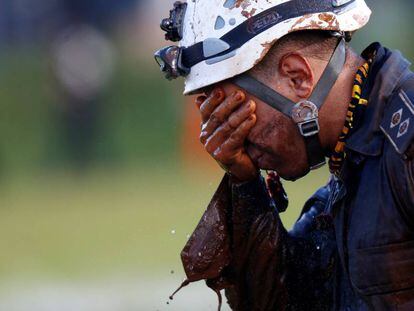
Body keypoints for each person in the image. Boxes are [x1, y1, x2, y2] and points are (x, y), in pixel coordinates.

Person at [155, 0, 414, 310]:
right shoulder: (351, 166)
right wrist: (244, 182)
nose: (234, 138)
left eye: (235, 111)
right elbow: (286, 301)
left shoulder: (406, 141)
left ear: (297, 77)